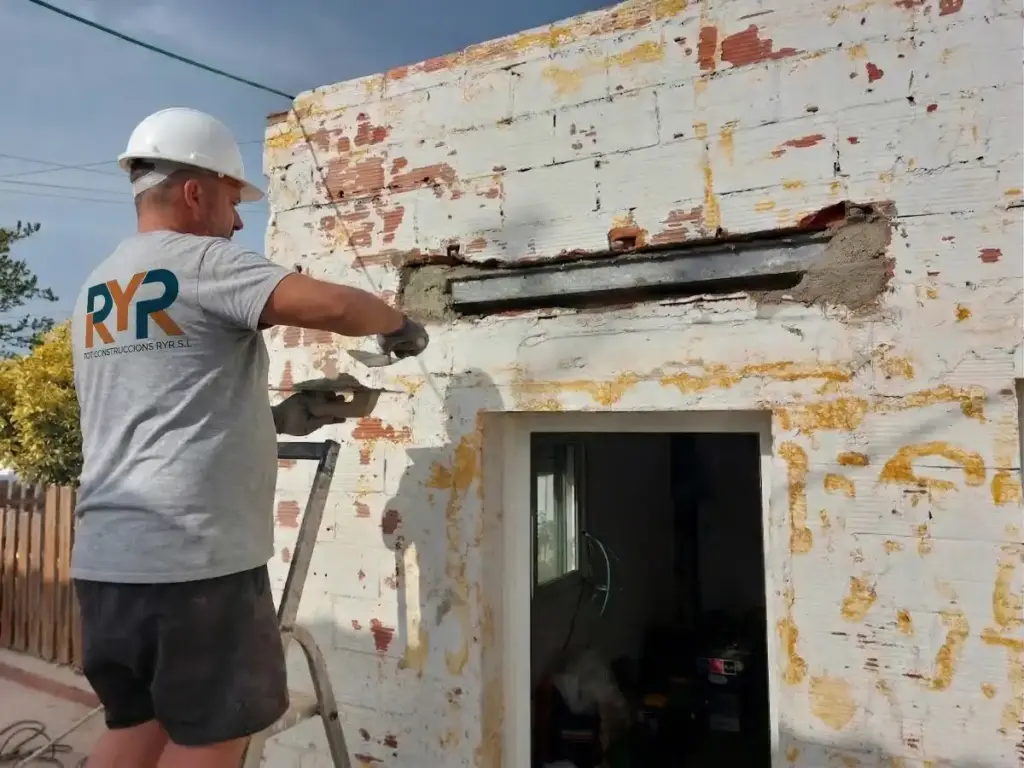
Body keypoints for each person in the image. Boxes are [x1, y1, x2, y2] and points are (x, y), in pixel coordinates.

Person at [69, 107, 429, 768]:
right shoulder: (201, 261)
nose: (238, 223)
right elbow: (336, 306)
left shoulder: (98, 289)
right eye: (233, 202)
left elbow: (159, 412)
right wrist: (400, 326)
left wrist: (281, 419)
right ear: (195, 191)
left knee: (136, 728)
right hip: (195, 566)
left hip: (106, 566)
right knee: (210, 741)